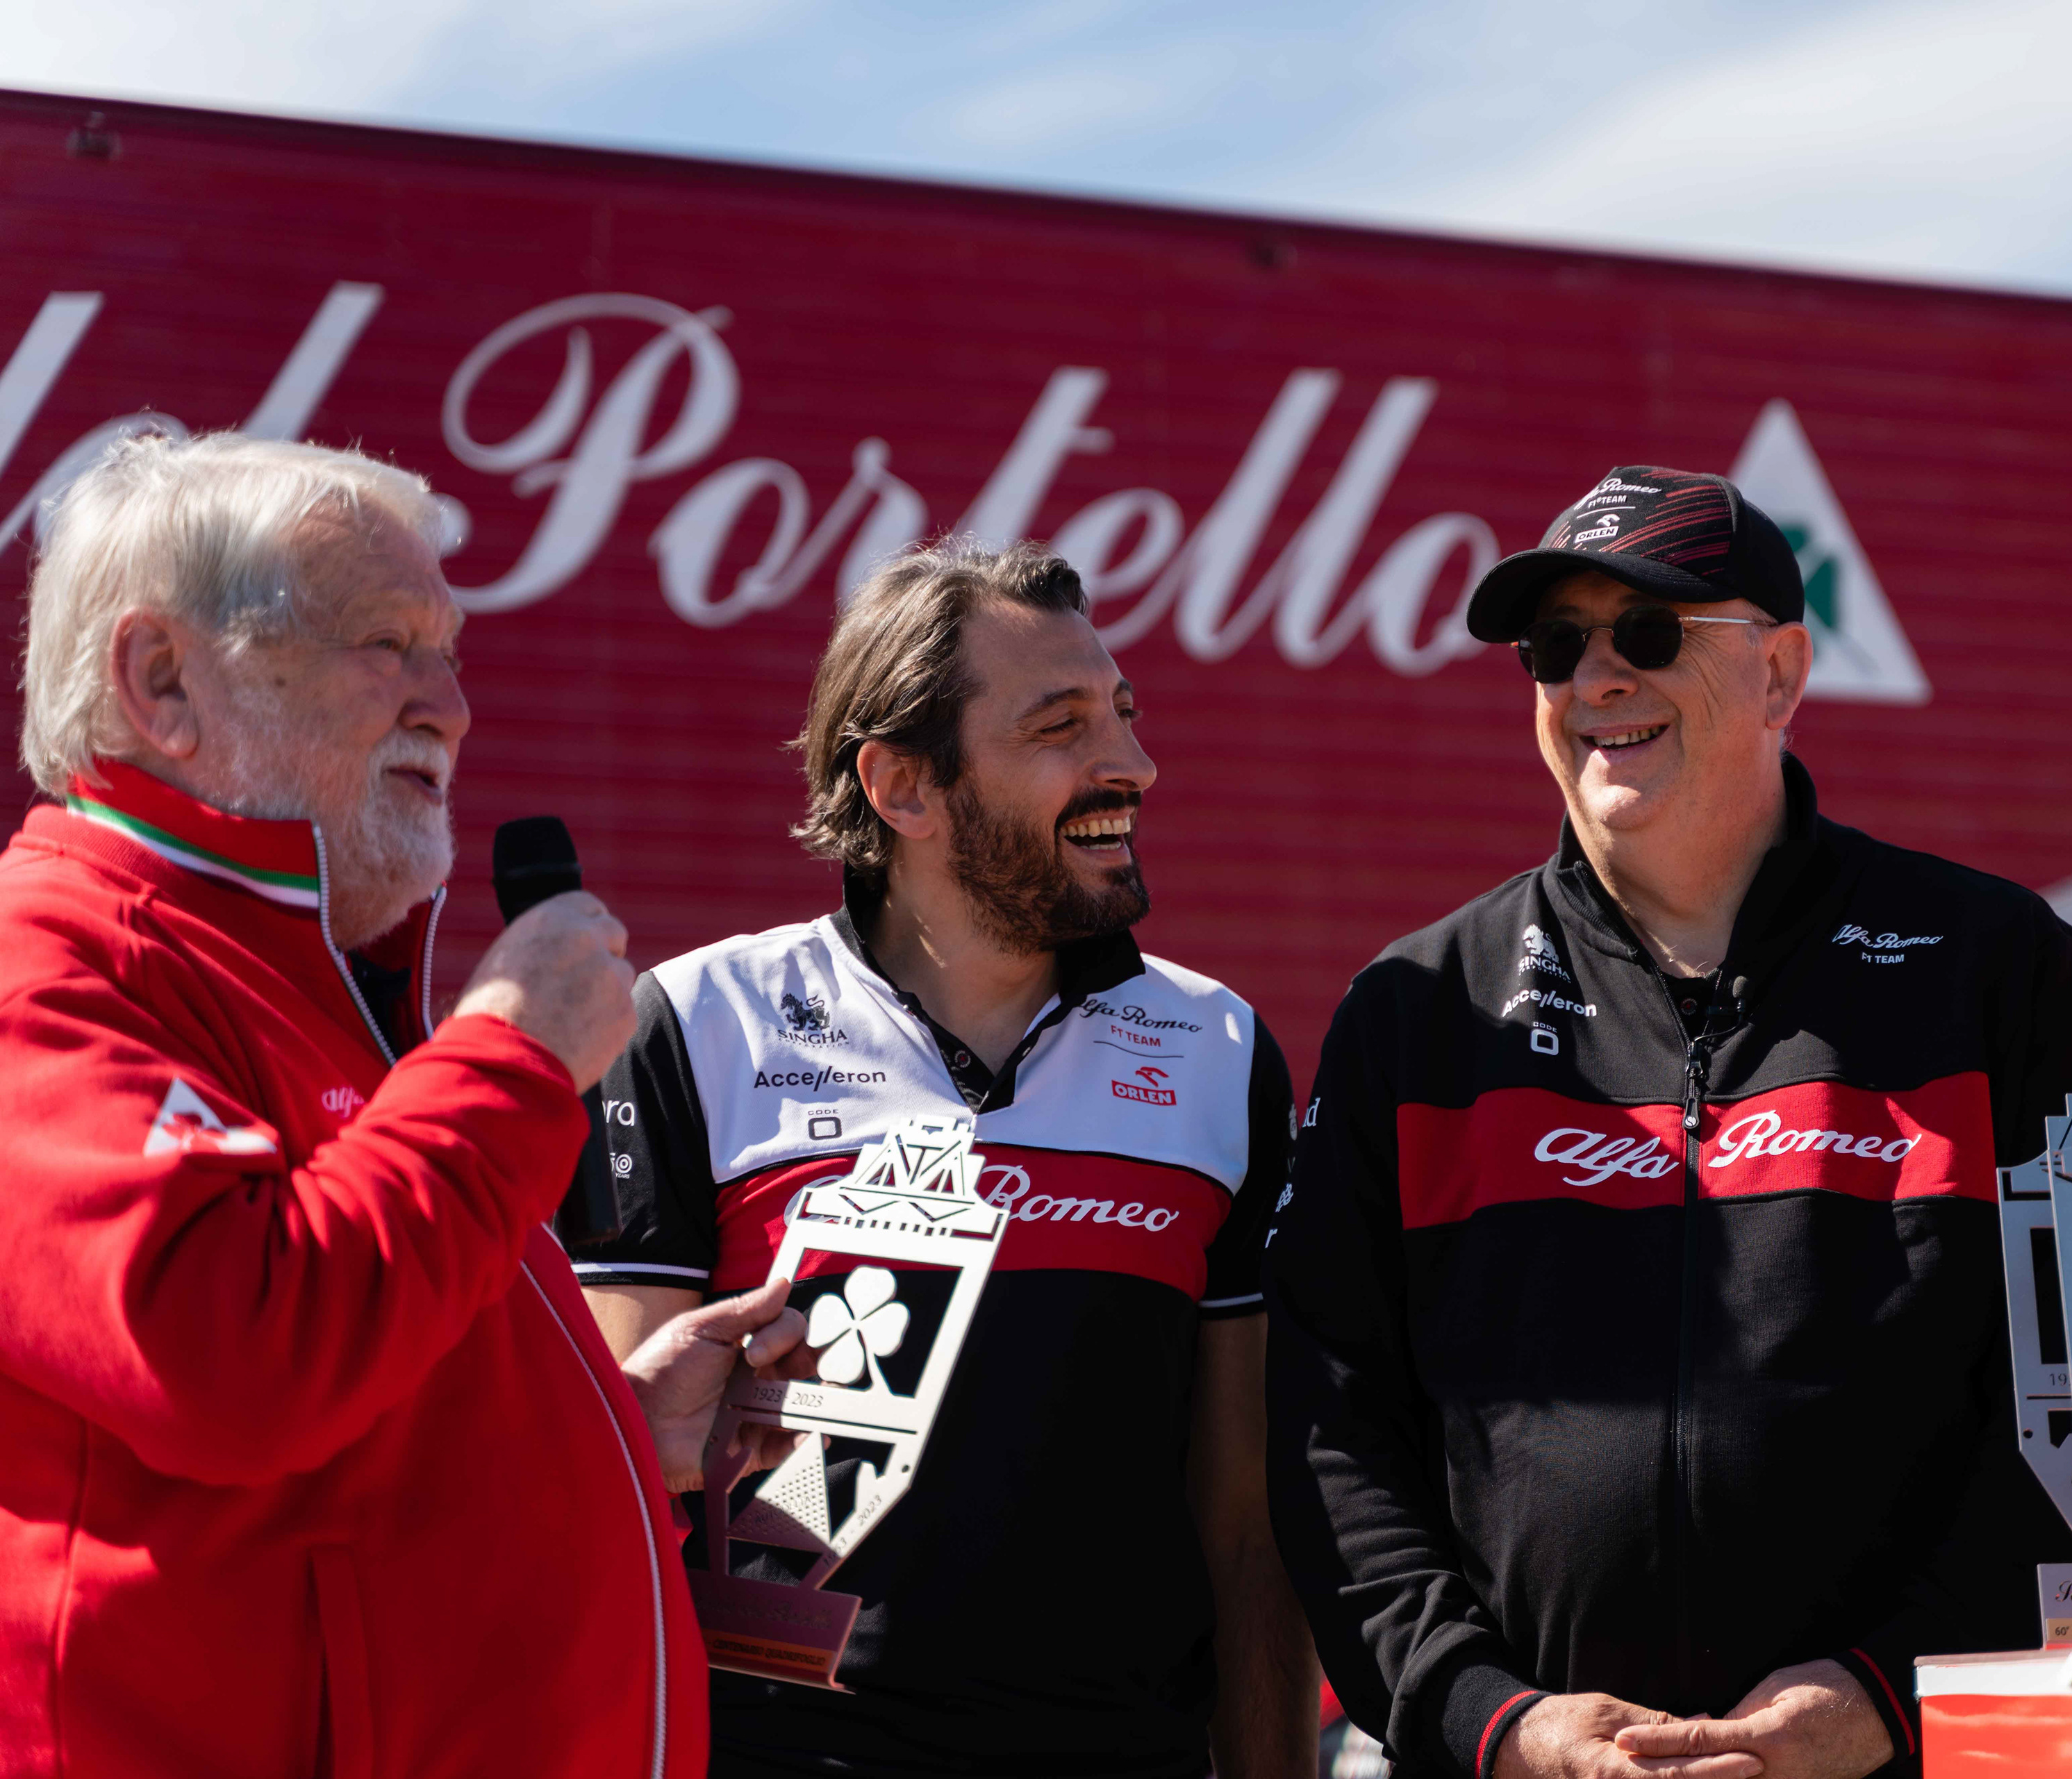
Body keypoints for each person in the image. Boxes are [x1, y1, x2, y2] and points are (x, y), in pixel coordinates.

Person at [1266, 467, 2072, 1779]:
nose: (1597, 678)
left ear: (1780, 674)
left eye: (1650, 633)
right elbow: (1331, 1432)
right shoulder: (1418, 1010)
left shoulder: (1991, 969)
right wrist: (1493, 1718)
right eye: (1557, 646)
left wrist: (1888, 1696)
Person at [0, 433, 804, 1778]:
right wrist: (512, 1058)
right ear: (162, 680)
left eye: (451, 652)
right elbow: (236, 1362)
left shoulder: (314, 984)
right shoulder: (49, 963)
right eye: (386, 643)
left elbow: (342, 1419)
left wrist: (605, 1421)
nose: (452, 706)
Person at [566, 540, 1316, 1779]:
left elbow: (1247, 1522)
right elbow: (606, 1493)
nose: (1131, 764)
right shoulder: (695, 1024)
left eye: (1123, 713)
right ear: (903, 786)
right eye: (1061, 726)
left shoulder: (1218, 1046)